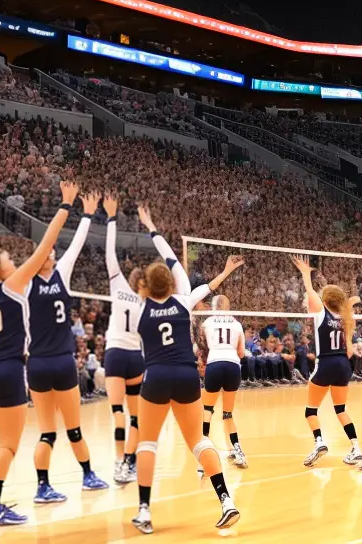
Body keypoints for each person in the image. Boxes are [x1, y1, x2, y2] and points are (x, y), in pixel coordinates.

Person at [0, 180, 78, 528]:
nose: (13, 261)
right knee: (7, 445)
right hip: (8, 371)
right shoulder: (11, 285)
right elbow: (45, 246)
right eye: (8, 260)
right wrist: (65, 205)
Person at [126, 203, 245, 534]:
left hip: (158, 375)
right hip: (187, 375)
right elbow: (182, 268)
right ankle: (226, 501)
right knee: (198, 441)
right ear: (172, 283)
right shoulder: (183, 301)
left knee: (147, 443)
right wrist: (151, 225)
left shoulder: (139, 309)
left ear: (146, 288)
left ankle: (145, 512)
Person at [26, 191, 108, 503]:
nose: (56, 255)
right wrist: (86, 213)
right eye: (51, 253)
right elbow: (76, 243)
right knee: (73, 428)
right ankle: (88, 476)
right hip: (60, 362)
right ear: (45, 257)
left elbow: (70, 247)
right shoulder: (59, 274)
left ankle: (42, 487)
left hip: (37, 364)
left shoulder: (25, 282)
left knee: (47, 432)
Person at [291, 254, 362, 470]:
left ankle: (319, 442)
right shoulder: (345, 319)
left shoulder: (321, 313)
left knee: (311, 411)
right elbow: (350, 351)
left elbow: (310, 292)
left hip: (326, 364)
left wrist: (306, 274)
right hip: (343, 365)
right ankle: (356, 449)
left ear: (326, 299)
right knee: (340, 409)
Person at [102, 195, 147, 486]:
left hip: (115, 353)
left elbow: (109, 254)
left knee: (117, 412)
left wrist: (111, 217)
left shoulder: (118, 286)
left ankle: (120, 462)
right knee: (137, 418)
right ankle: (129, 463)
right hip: (136, 357)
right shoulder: (148, 303)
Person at [199, 295, 249, 471]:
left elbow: (200, 348)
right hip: (232, 366)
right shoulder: (236, 324)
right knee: (228, 413)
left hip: (214, 364)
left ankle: (203, 453)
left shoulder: (206, 324)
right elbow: (242, 353)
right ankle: (238, 450)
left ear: (213, 307)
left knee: (207, 409)